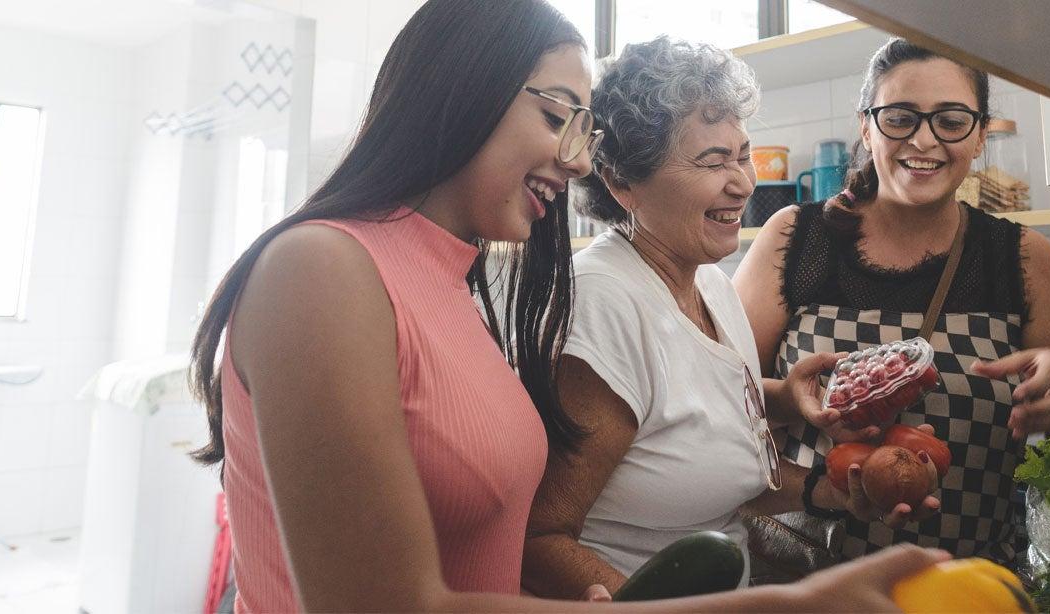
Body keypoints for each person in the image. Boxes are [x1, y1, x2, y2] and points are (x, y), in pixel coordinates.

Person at [190, 3, 944, 611]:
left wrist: (782, 407)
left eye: (583, 130)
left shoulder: (457, 282)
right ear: (462, 93)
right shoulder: (320, 270)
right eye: (558, 118)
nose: (578, 158)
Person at [521, 37, 936, 599]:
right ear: (622, 183)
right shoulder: (605, 302)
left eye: (742, 154)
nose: (743, 182)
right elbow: (539, 537)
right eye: (713, 161)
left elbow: (707, 463)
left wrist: (832, 486)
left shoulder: (711, 286)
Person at [733, 38, 1050, 565]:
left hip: (965, 588)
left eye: (950, 120)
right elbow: (708, 411)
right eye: (899, 117)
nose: (924, 140)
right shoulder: (794, 240)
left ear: (980, 136)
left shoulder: (1021, 258)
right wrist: (794, 422)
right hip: (802, 585)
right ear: (866, 127)